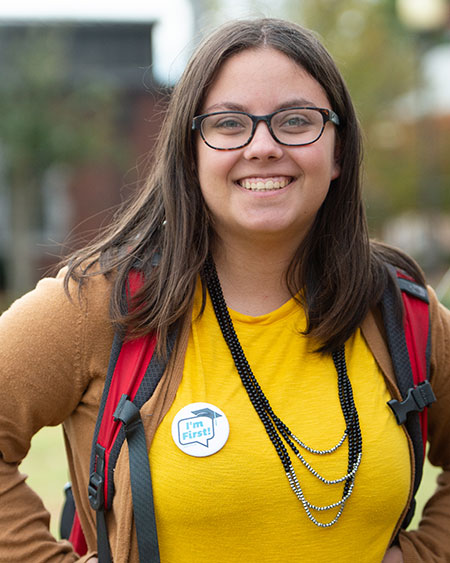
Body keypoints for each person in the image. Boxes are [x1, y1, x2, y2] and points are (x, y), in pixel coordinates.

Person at [0, 17, 449, 563]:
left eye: (296, 120)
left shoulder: (400, 312)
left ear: (338, 151)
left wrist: (427, 553)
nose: (262, 146)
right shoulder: (103, 306)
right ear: (190, 153)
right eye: (230, 124)